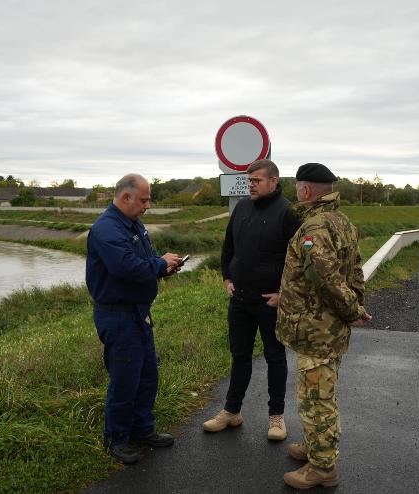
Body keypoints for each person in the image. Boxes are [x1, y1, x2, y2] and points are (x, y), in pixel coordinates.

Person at [275, 163, 372, 489]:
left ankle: (322, 467)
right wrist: (356, 305)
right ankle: (314, 447)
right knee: (317, 392)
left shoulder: (314, 228)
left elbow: (327, 280)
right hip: (328, 328)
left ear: (305, 190)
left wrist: (351, 311)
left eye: (296, 187)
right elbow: (355, 273)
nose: (295, 193)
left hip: (317, 329)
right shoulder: (341, 221)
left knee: (316, 399)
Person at [86, 173, 183, 465]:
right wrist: (158, 264)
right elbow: (126, 267)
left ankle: (142, 430)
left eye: (148, 199)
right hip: (117, 315)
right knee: (125, 378)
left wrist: (164, 267)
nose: (147, 205)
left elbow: (146, 260)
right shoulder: (106, 229)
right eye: (143, 199)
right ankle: (117, 439)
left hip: (139, 313)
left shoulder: (134, 225)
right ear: (126, 197)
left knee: (146, 375)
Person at [203, 159, 300, 440]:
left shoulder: (288, 212)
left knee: (275, 357)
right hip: (240, 300)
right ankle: (232, 411)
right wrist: (226, 277)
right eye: (249, 180)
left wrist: (286, 294)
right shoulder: (242, 208)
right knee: (239, 356)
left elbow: (301, 260)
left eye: (256, 180)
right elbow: (228, 245)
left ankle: (276, 418)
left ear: (274, 180)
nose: (251, 185)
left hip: (270, 303)